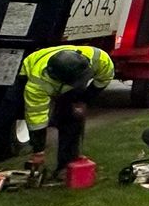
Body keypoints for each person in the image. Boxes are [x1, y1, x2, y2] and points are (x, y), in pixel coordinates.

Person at [18, 44, 113, 178]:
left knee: (72, 118)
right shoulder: (37, 84)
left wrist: (84, 101)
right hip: (29, 74)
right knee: (25, 113)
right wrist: (38, 150)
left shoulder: (100, 58)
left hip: (70, 78)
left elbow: (104, 79)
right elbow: (36, 117)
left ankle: (66, 164)